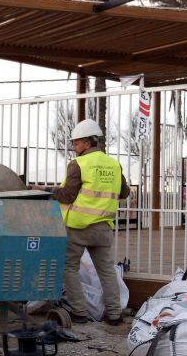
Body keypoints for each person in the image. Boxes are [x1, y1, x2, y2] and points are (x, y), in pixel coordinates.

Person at [51, 119, 130, 325]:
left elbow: (67, 195)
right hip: (104, 228)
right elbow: (125, 192)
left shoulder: (78, 164)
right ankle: (114, 314)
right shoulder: (114, 164)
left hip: (78, 228)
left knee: (68, 267)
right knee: (106, 271)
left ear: (87, 143)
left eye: (76, 143)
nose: (74, 147)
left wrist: (48, 191)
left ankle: (80, 312)